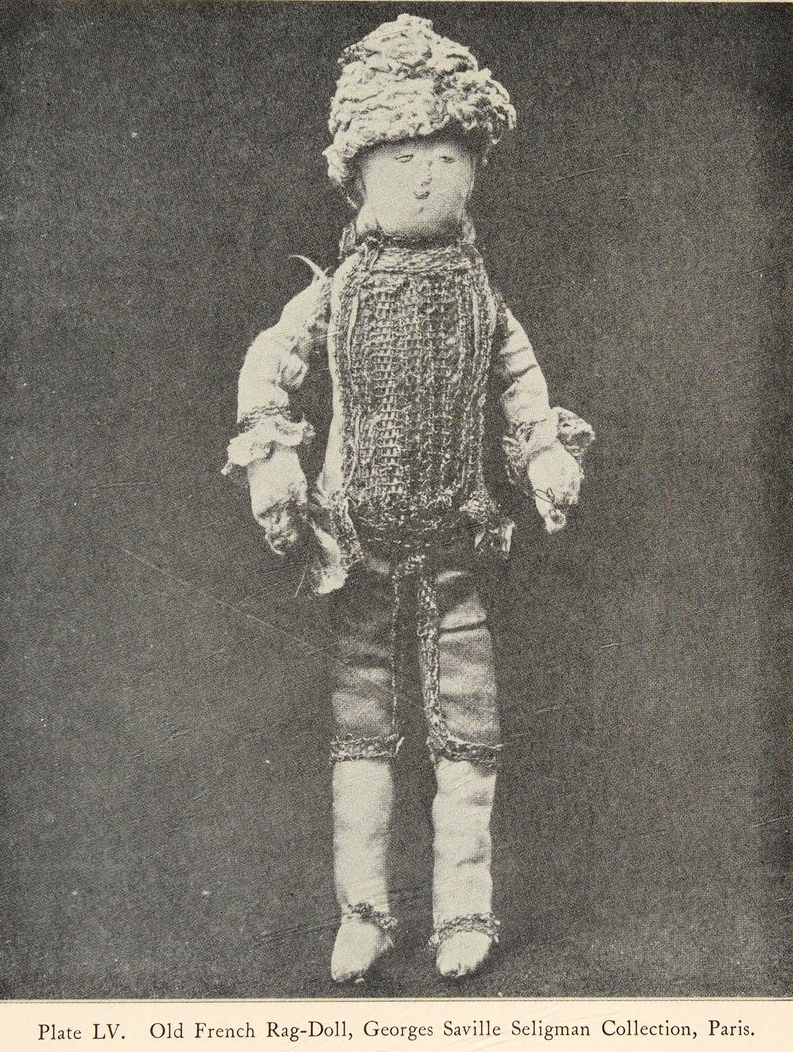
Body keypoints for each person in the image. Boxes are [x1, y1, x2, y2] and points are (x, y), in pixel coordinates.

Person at [223, 14, 594, 982]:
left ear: (473, 168)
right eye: (400, 159)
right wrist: (271, 460)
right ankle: (365, 910)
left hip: (457, 547)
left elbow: (524, 391)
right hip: (356, 552)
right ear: (355, 175)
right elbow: (269, 366)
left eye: (443, 157)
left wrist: (545, 456)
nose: (424, 177)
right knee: (362, 727)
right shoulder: (337, 292)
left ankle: (464, 910)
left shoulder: (484, 299)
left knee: (468, 732)